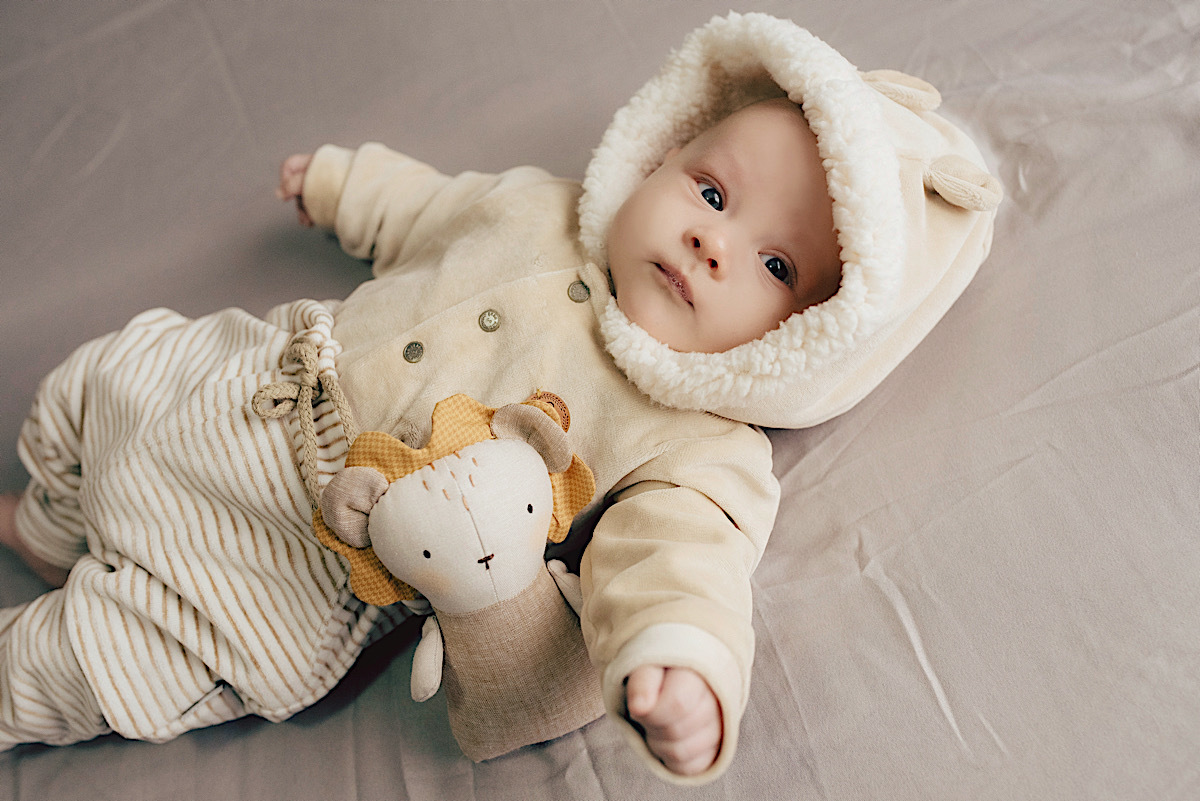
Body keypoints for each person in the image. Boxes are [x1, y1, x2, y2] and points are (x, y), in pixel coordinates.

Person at [0, 12, 1000, 784]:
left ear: (805, 342)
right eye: (710, 192)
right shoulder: (539, 207)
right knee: (96, 382)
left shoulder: (698, 441)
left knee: (99, 662)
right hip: (241, 379)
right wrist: (347, 186)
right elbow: (430, 208)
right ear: (661, 155)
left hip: (291, 562)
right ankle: (54, 525)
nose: (713, 241)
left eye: (775, 264)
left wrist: (681, 660)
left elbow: (681, 562)